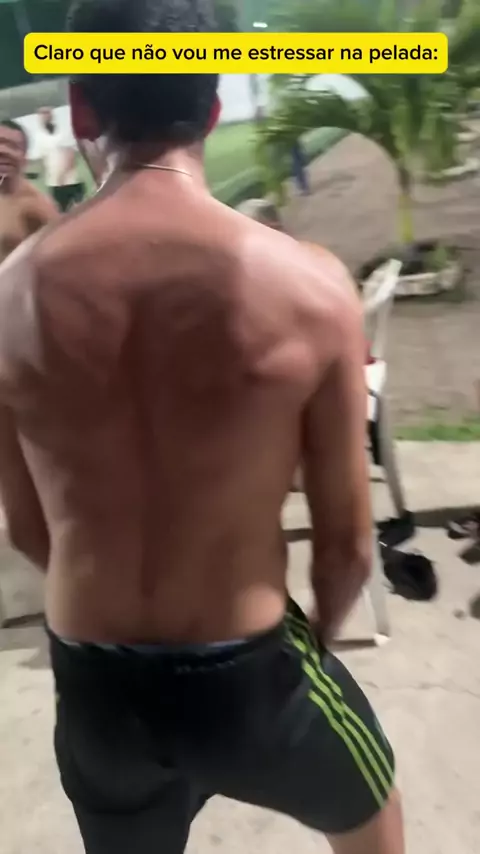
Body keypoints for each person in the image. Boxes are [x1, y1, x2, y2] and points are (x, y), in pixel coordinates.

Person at [0, 2, 404, 854]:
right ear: (213, 107)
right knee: (373, 818)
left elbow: (30, 528)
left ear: (81, 109)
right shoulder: (308, 287)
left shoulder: (8, 298)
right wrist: (301, 657)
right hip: (249, 671)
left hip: (95, 683)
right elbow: (345, 549)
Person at [0, 118, 59, 263]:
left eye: (13, 146)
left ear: (24, 159)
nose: (3, 151)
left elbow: (61, 257)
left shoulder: (35, 206)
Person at [36, 106, 86, 211]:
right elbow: (44, 159)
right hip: (53, 183)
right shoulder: (40, 137)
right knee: (61, 212)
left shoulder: (63, 133)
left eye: (46, 115)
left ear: (51, 116)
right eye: (41, 117)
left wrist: (62, 176)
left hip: (70, 181)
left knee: (79, 210)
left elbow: (71, 155)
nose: (43, 118)